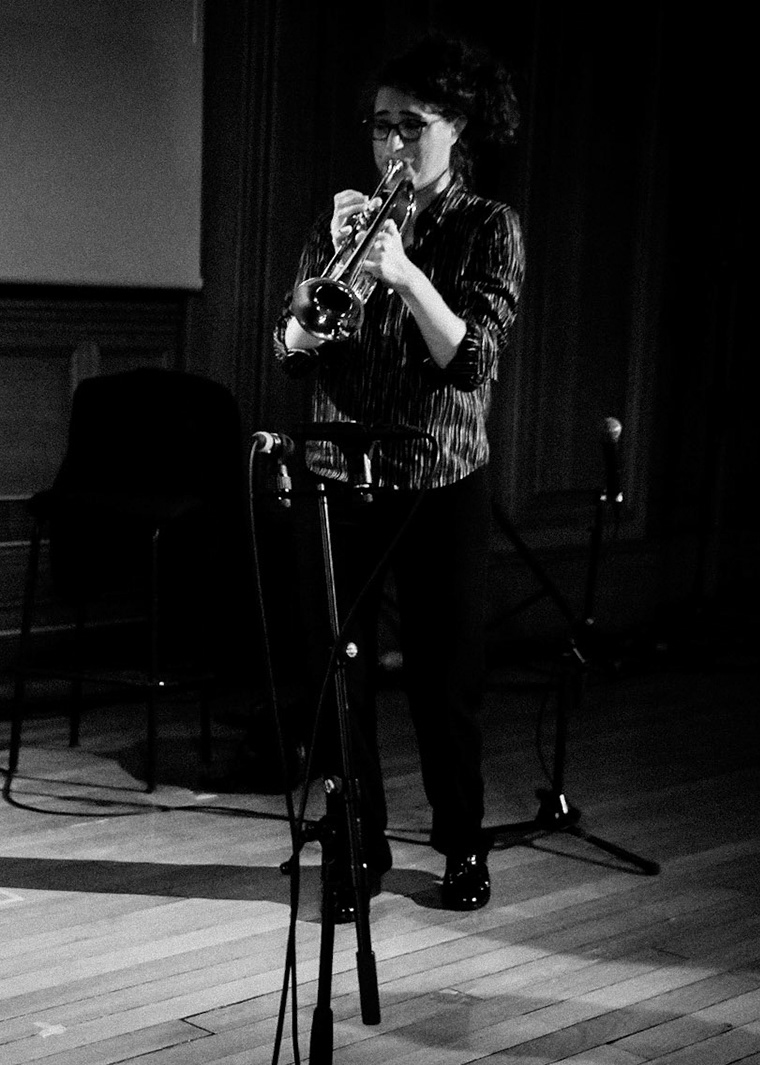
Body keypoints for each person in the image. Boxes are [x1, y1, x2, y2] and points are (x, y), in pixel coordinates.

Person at [275, 35, 524, 914]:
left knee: (444, 678)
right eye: (380, 126)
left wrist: (407, 274)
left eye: (410, 127)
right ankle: (357, 845)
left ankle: (461, 844)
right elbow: (292, 351)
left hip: (439, 476)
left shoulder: (489, 226)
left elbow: (471, 360)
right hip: (339, 469)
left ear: (459, 127)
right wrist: (314, 299)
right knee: (333, 673)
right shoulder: (341, 220)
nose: (390, 145)